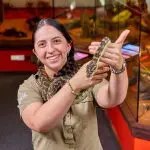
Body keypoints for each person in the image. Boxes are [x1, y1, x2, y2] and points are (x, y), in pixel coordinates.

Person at [17, 18, 130, 150]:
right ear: (35, 53)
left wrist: (118, 67)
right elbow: (38, 123)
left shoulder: (86, 74)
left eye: (56, 41)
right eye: (42, 44)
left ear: (68, 45)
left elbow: (111, 99)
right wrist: (75, 83)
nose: (51, 49)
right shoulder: (28, 87)